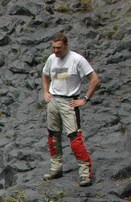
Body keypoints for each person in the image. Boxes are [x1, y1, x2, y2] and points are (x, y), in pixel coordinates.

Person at [41, 32, 100, 187]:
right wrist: (46, 92)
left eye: (59, 48)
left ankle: (85, 173)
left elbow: (94, 79)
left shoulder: (77, 60)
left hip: (69, 102)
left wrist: (85, 99)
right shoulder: (51, 59)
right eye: (53, 47)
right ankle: (56, 168)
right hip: (53, 100)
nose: (55, 51)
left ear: (66, 45)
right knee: (53, 136)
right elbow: (45, 74)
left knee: (74, 138)